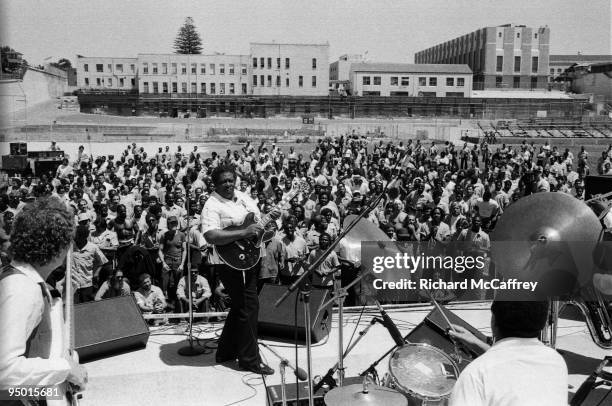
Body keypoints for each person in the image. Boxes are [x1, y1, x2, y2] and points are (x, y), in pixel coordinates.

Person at [0, 197, 87, 400]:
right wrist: (66, 370)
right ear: (58, 248)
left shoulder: (31, 282)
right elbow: (4, 369)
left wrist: (59, 387)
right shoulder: (21, 288)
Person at [201, 163, 278, 375]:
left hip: (251, 258)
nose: (228, 184)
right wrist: (243, 234)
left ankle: (225, 351)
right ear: (215, 184)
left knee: (240, 306)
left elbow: (255, 224)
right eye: (223, 181)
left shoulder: (244, 197)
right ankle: (250, 360)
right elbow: (211, 236)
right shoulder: (212, 205)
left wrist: (270, 221)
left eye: (230, 180)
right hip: (231, 261)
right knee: (249, 307)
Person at [448, 300, 568, 406]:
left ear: (493, 320)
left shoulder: (475, 374)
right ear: (544, 321)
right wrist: (476, 342)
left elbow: (502, 364)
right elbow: (512, 364)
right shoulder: (556, 362)